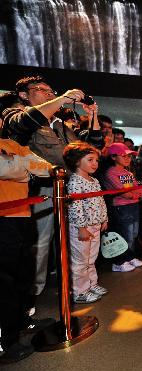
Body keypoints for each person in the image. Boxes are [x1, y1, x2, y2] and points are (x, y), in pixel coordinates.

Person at [3, 76, 102, 307]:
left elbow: (91, 146)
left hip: (70, 189)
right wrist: (63, 98)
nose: (49, 94)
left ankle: (73, 284)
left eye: (51, 91)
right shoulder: (14, 113)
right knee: (40, 243)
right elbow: (24, 122)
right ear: (24, 95)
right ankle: (29, 299)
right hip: (42, 191)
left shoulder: (59, 125)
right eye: (41, 90)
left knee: (74, 240)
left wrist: (93, 114)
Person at [0, 137, 53, 363]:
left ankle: (21, 323)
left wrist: (20, 166)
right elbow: (7, 169)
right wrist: (26, 170)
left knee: (23, 274)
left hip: (22, 216)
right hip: (3, 218)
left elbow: (47, 169)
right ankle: (5, 342)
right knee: (3, 281)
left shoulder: (12, 143)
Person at [63, 142, 109, 303]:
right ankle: (80, 291)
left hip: (95, 225)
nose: (95, 164)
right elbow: (75, 206)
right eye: (90, 160)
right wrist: (82, 227)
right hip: (82, 228)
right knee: (80, 261)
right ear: (76, 161)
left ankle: (91, 284)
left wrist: (104, 218)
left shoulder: (94, 181)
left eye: (96, 160)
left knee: (91, 258)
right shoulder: (75, 181)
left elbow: (101, 200)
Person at [103, 143, 142, 271]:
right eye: (124, 156)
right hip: (121, 207)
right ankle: (120, 261)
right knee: (125, 234)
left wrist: (133, 195)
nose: (128, 159)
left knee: (133, 233)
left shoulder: (128, 172)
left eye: (129, 156)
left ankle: (130, 257)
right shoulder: (111, 172)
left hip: (133, 205)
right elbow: (122, 191)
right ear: (114, 157)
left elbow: (139, 189)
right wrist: (133, 194)